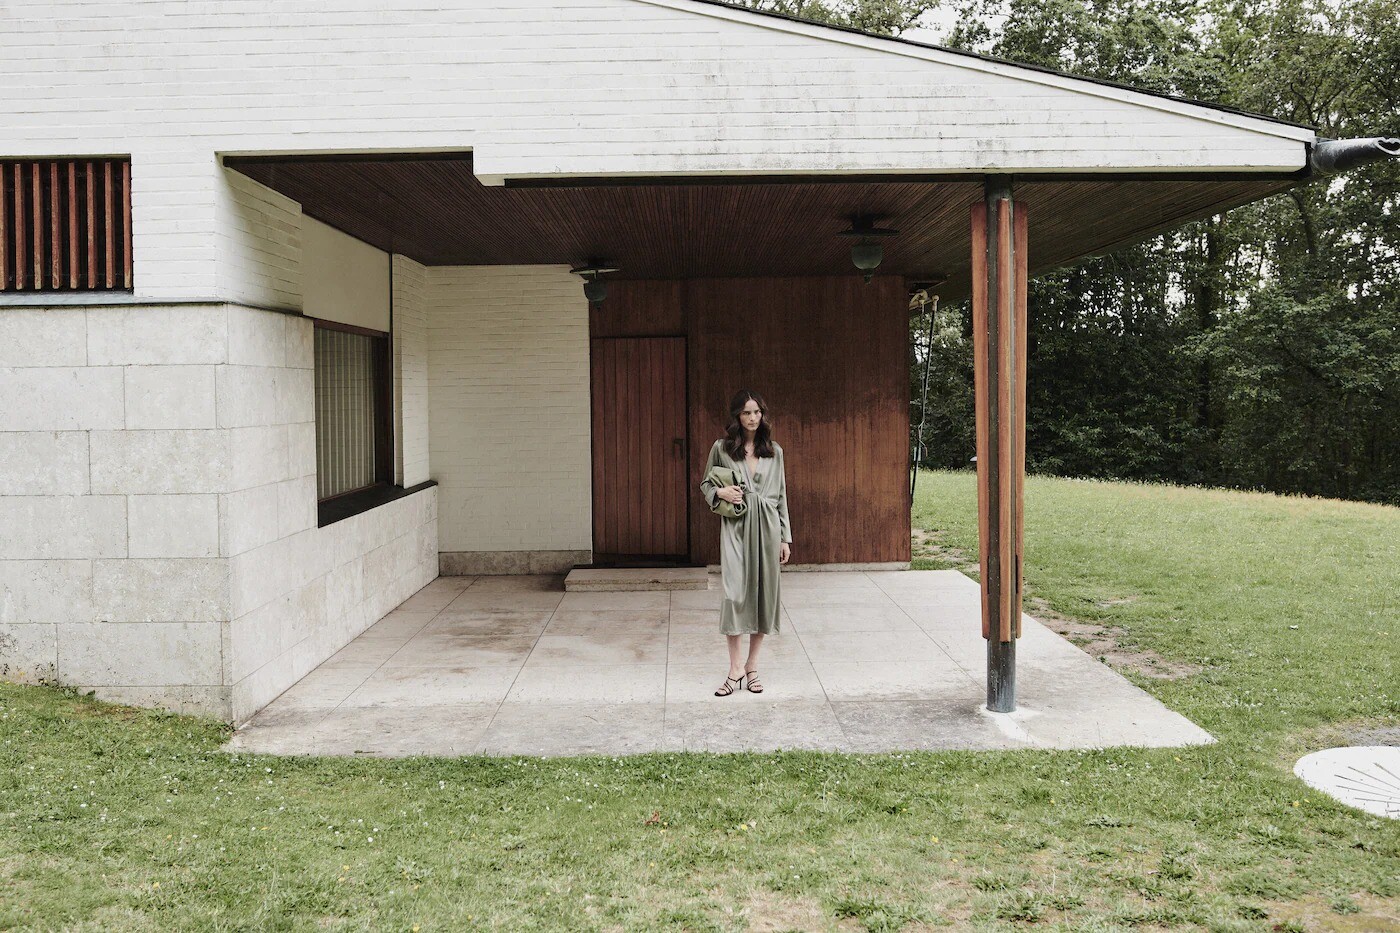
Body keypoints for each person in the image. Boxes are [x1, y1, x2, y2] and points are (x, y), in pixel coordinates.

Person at [698, 389, 792, 697]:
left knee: (764, 594)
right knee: (734, 594)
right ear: (737, 416)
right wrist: (720, 492)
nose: (752, 418)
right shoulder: (721, 448)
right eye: (746, 412)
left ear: (762, 415)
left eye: (757, 412)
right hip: (736, 526)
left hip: (767, 527)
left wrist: (785, 537)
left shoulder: (774, 452)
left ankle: (752, 667)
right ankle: (734, 667)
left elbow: (781, 496)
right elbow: (706, 483)